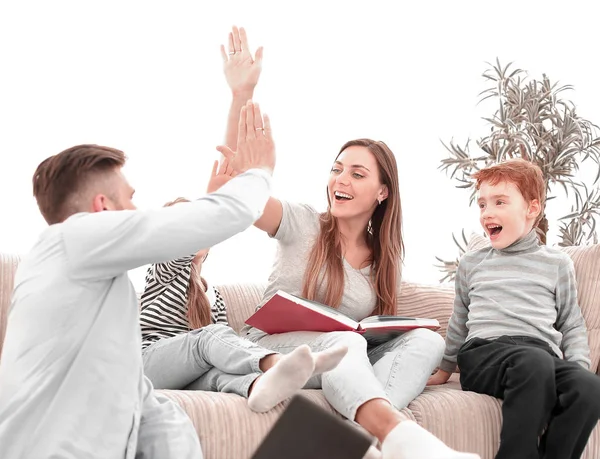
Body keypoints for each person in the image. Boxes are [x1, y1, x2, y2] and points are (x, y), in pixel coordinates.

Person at [217, 25, 480, 459]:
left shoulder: (382, 263)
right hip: (273, 352)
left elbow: (373, 336)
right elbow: (236, 194)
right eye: (337, 169)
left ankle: (363, 441)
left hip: (337, 362)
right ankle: (398, 437)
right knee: (348, 344)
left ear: (382, 193)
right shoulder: (300, 222)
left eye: (357, 174)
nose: (340, 180)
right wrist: (240, 95)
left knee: (426, 341)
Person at [0, 102, 277, 458]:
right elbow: (217, 218)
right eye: (130, 199)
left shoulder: (93, 292)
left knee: (166, 415)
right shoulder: (71, 239)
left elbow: (150, 410)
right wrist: (259, 170)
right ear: (103, 208)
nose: (137, 211)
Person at [427, 159, 600, 459]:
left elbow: (571, 324)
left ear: (532, 209)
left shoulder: (556, 263)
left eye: (500, 202)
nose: (487, 212)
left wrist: (577, 368)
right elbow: (459, 320)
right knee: (534, 362)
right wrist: (445, 369)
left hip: (539, 359)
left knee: (589, 388)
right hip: (485, 354)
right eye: (482, 204)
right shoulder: (473, 263)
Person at [140, 194, 348, 413]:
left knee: (219, 374)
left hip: (185, 374)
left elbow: (224, 348)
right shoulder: (161, 270)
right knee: (209, 336)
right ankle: (278, 364)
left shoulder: (213, 295)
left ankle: (259, 388)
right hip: (150, 366)